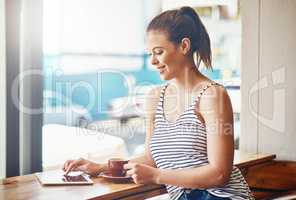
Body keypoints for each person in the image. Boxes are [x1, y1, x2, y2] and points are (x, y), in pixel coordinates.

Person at [63, 6, 253, 200]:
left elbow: (219, 174)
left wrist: (156, 176)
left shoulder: (212, 96)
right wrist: (100, 167)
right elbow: (150, 159)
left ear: (184, 46)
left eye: (159, 52)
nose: (153, 61)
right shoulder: (155, 97)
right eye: (150, 54)